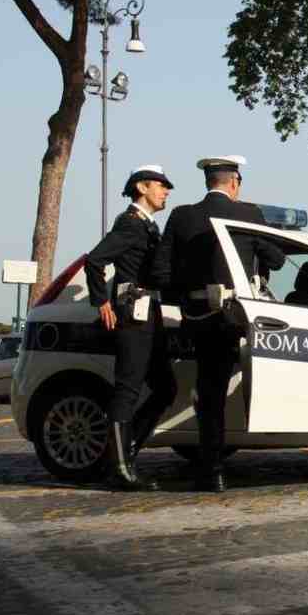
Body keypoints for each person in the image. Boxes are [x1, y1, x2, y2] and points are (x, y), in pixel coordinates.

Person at [152, 156, 285, 491]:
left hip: (195, 318)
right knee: (229, 386)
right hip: (235, 318)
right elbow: (278, 260)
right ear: (235, 183)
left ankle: (211, 468)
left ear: (208, 181)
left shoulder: (182, 216)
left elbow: (160, 273)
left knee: (207, 390)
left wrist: (187, 297)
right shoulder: (249, 215)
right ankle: (221, 461)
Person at [84, 165, 179, 491]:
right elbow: (94, 261)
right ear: (142, 187)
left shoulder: (148, 227)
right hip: (132, 316)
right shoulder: (129, 224)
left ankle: (126, 452)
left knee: (165, 387)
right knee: (127, 390)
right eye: (161, 186)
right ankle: (120, 468)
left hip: (149, 313)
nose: (166, 191)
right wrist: (102, 301)